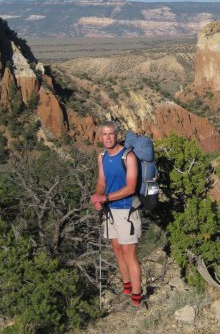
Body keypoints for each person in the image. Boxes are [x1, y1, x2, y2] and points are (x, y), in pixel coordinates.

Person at [91, 121, 144, 308]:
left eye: (111, 134)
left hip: (126, 211)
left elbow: (130, 188)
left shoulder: (128, 157)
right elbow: (101, 181)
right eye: (104, 134)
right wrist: (98, 196)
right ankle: (127, 289)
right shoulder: (102, 156)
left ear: (116, 135)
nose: (107, 137)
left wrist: (105, 197)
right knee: (117, 251)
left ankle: (137, 299)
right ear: (100, 137)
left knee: (130, 255)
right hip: (109, 211)